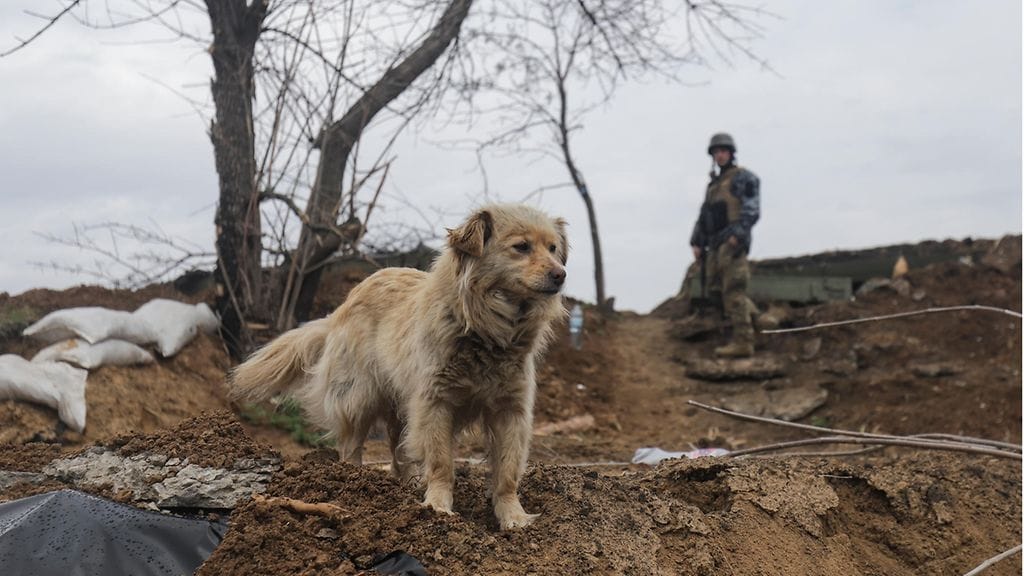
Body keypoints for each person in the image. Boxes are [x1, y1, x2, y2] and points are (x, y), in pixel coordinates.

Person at [690, 132, 761, 358]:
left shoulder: (743, 178)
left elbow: (752, 209)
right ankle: (756, 320)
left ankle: (744, 341)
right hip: (715, 245)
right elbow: (704, 216)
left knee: (734, 290)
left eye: (723, 151)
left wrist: (738, 235)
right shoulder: (714, 185)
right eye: (716, 152)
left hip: (732, 243)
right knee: (715, 291)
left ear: (731, 153)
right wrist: (697, 242)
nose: (720, 155)